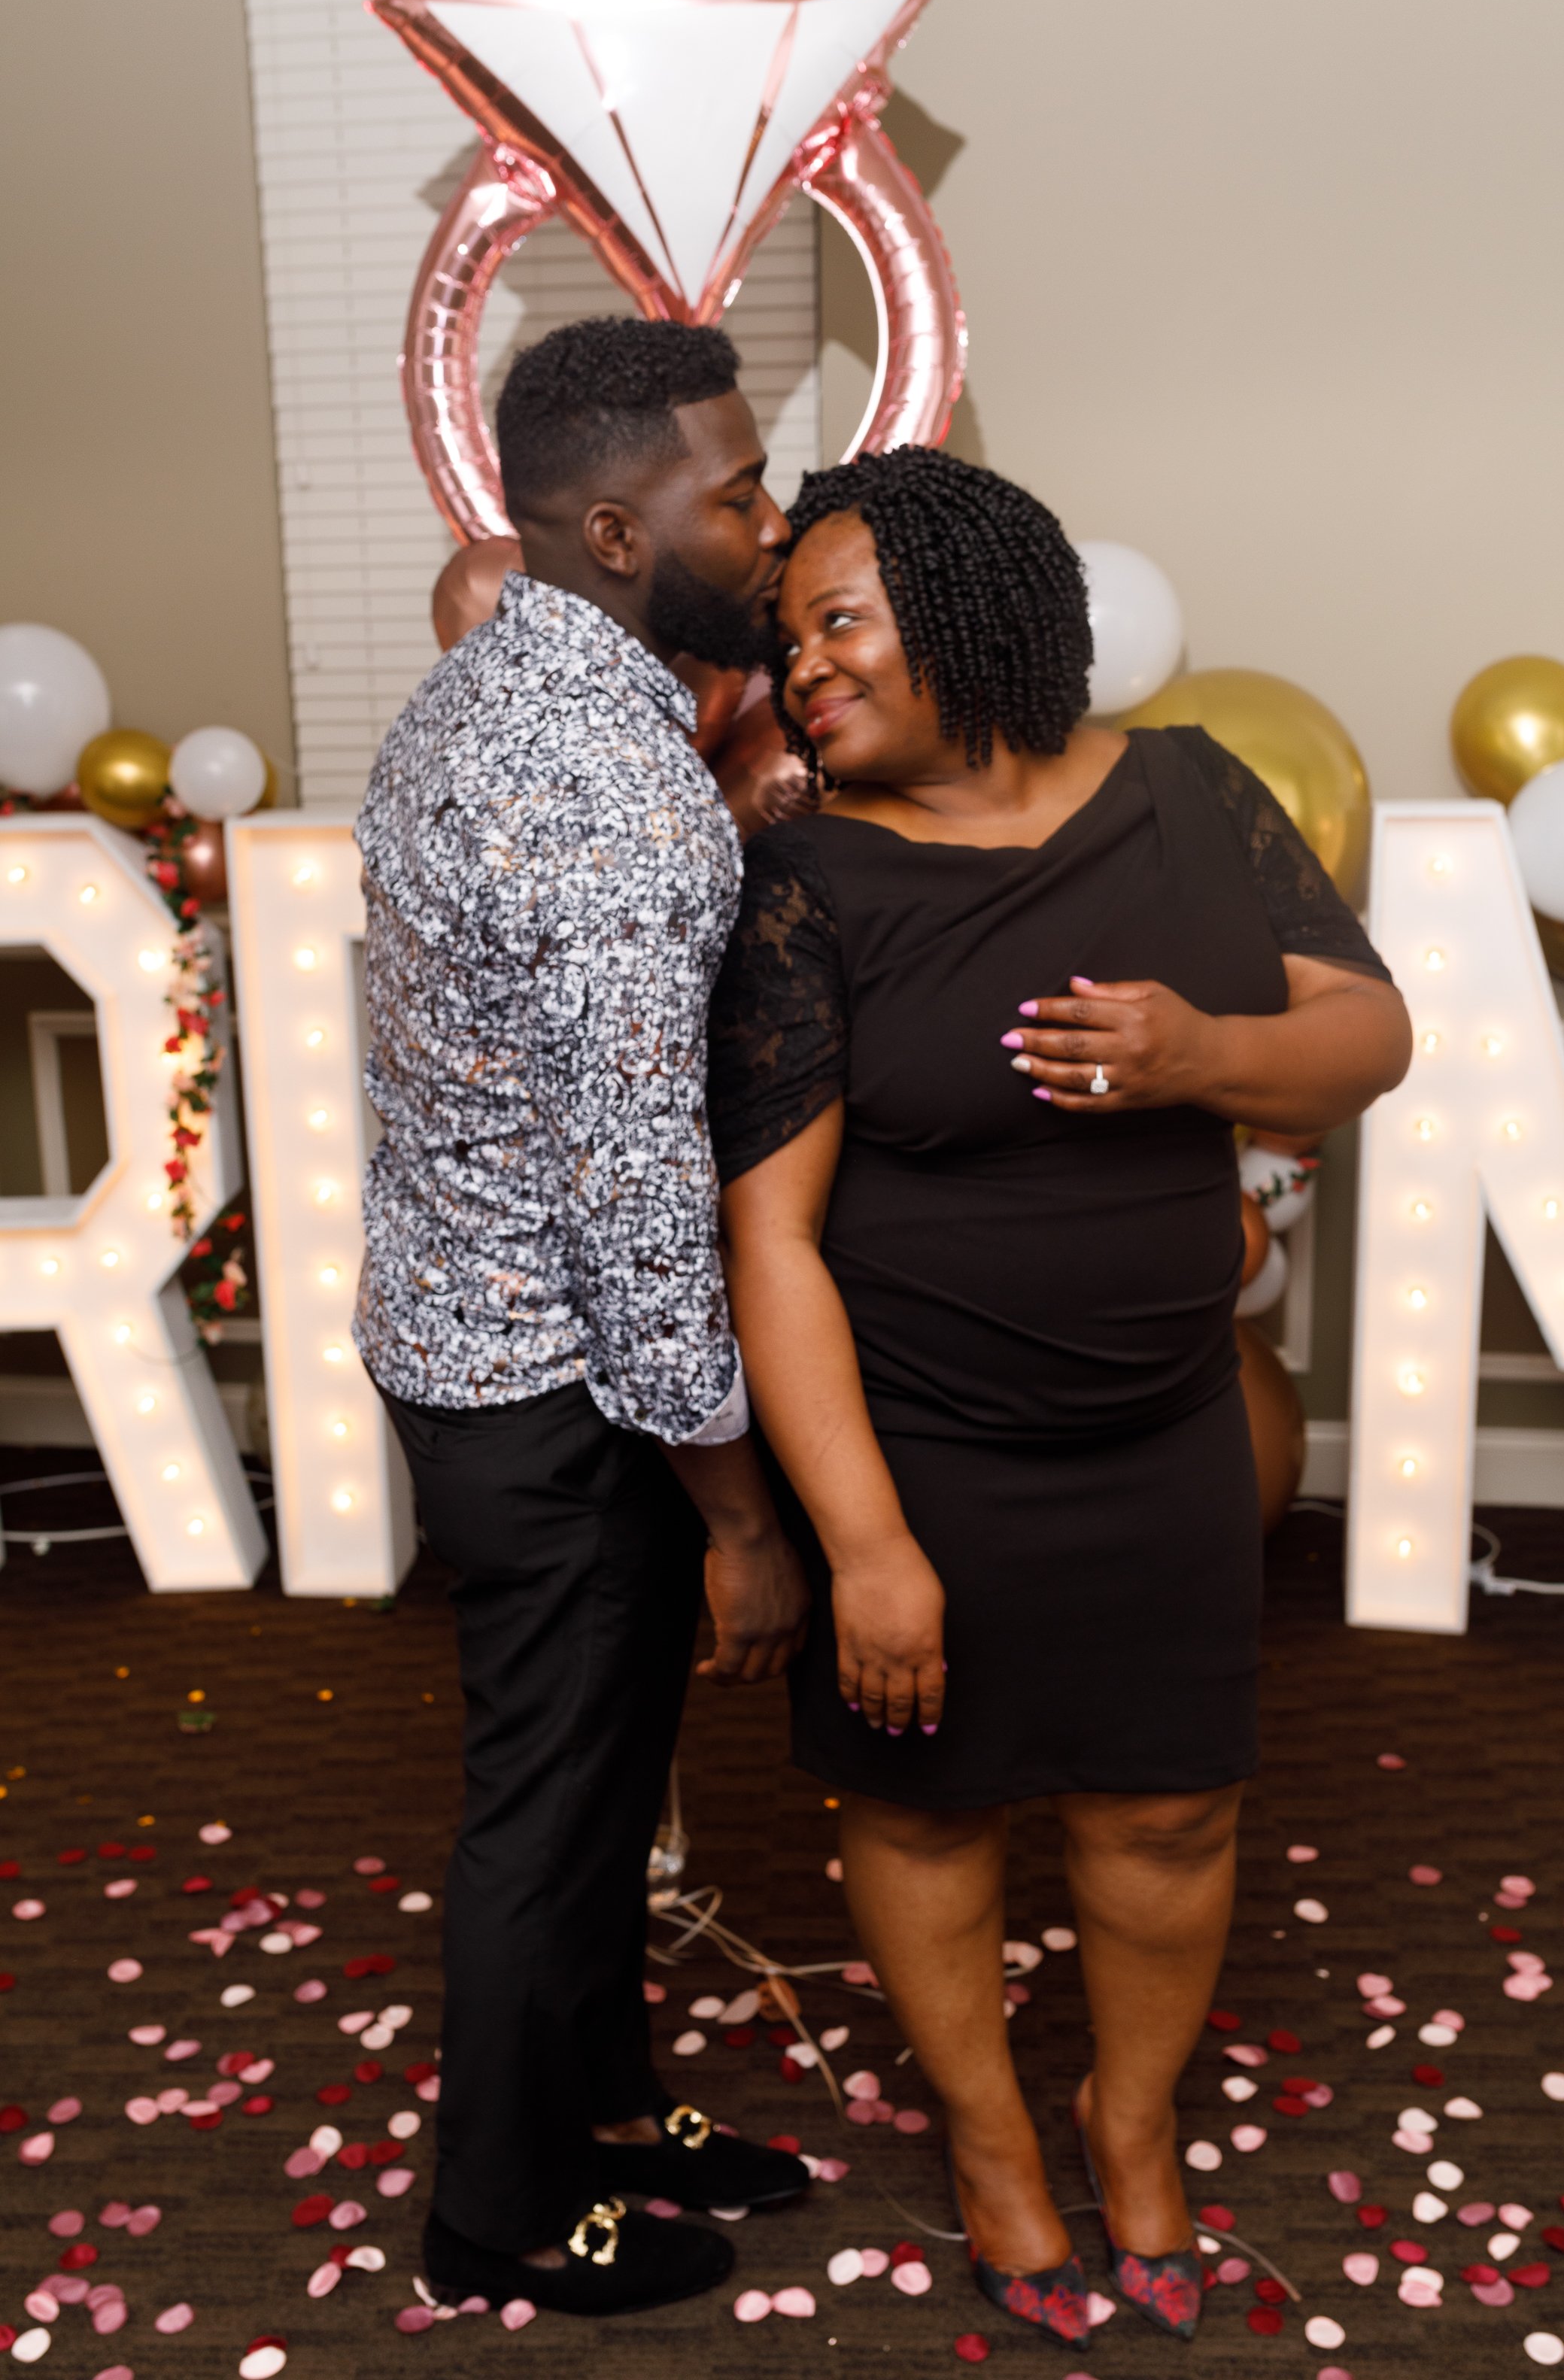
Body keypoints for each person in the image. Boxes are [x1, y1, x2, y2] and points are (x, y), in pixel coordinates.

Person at [709, 447, 1411, 2349]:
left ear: (970, 610)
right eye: (787, 642)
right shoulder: (808, 881)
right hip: (921, 1452)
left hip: (1166, 1429)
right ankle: (994, 2140)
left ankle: (1135, 2122)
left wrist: (1202, 1056)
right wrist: (864, 1546)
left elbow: (1368, 1036)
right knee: (932, 1812)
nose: (804, 669)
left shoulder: (1191, 792)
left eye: (839, 621)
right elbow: (772, 1243)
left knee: (1170, 1810)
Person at [353, 317, 812, 2320]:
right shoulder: (620, 795)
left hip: (464, 1330)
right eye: (740, 492)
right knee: (553, 1807)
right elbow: (636, 1203)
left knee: (607, 1781)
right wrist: (738, 1515)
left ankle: (609, 2110)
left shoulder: (479, 696)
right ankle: (503, 2215)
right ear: (618, 533)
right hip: (552, 1385)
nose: (771, 523)